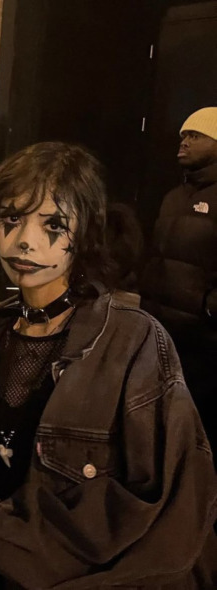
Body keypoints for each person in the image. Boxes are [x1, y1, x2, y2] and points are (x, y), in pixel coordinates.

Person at [0, 142, 217, 588]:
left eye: (54, 224)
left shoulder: (133, 341)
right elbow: (2, 463)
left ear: (86, 234)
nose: (24, 240)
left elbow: (168, 518)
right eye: (11, 219)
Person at [140, 106, 217, 462]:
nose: (184, 142)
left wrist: (208, 308)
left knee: (200, 428)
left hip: (204, 341)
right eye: (183, 135)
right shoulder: (173, 196)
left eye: (195, 136)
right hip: (161, 330)